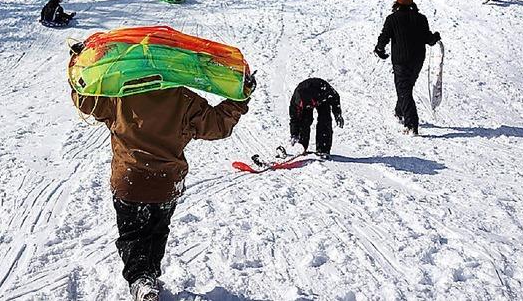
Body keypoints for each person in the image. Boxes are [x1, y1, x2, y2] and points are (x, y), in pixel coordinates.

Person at [69, 53, 253, 301]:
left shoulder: (120, 96)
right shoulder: (184, 99)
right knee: (157, 230)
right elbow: (217, 124)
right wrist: (239, 99)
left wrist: (79, 66)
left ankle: (141, 280)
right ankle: (149, 277)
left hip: (129, 181)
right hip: (166, 182)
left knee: (132, 235)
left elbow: (86, 100)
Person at [374, 0, 441, 135]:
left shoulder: (392, 19)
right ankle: (400, 111)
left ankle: (411, 124)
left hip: (401, 60)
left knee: (404, 90)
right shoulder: (421, 18)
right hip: (417, 60)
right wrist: (435, 36)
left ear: (397, 1)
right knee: (406, 88)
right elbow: (428, 39)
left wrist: (379, 49)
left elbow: (384, 36)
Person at [289, 78, 344, 155]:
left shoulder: (324, 90)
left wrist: (337, 114)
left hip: (321, 99)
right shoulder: (296, 101)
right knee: (304, 120)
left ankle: (323, 149)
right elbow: (294, 119)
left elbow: (335, 97)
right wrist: (294, 134)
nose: (309, 107)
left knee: (325, 120)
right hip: (309, 99)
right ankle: (301, 146)